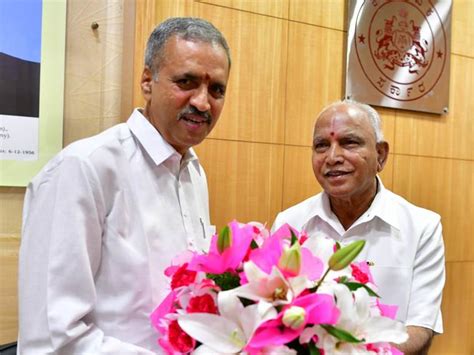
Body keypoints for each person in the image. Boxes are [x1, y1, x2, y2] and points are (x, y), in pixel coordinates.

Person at [18, 17, 231, 354]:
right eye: (186, 82)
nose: (203, 102)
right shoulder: (83, 168)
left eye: (216, 89)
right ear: (147, 81)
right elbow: (52, 339)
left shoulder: (193, 173)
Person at [272, 100, 445, 354]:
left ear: (381, 155)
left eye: (349, 143)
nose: (332, 157)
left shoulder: (422, 227)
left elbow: (420, 329)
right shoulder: (290, 223)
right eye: (322, 145)